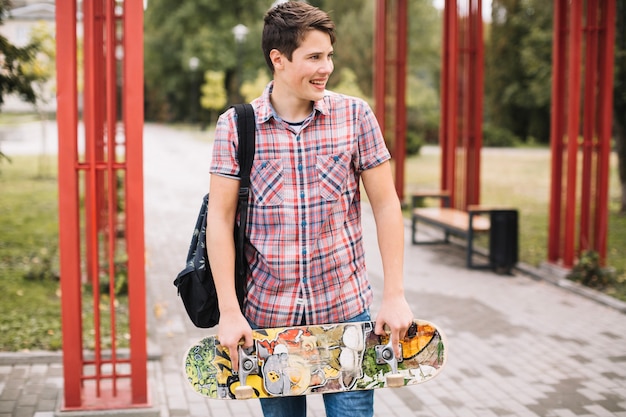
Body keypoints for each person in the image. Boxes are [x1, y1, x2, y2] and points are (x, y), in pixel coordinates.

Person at [206, 2, 413, 416]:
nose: (326, 68)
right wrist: (229, 311)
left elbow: (387, 204)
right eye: (314, 57)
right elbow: (221, 218)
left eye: (329, 56)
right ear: (278, 60)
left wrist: (394, 295)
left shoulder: (355, 116)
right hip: (269, 321)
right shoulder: (236, 126)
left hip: (346, 318)